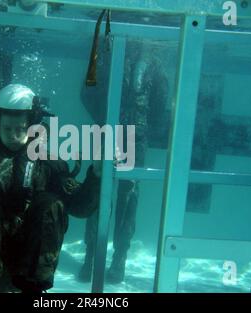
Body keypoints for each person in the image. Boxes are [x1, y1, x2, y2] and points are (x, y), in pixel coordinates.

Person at [0, 84, 101, 293]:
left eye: (20, 129)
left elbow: (79, 206)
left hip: (30, 266)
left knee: (52, 203)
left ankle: (34, 287)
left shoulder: (49, 163)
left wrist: (96, 175)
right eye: (7, 129)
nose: (14, 135)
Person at [79, 40, 169, 284]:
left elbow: (161, 106)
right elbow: (87, 93)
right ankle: (91, 256)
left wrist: (139, 128)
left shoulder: (152, 64)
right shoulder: (107, 57)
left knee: (127, 199)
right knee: (98, 194)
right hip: (110, 133)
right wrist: (106, 122)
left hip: (134, 137)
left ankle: (118, 260)